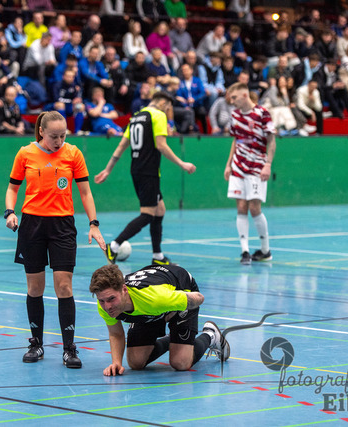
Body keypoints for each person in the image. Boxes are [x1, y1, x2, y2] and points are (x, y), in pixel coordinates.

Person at [4, 111, 106, 369]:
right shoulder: (25, 154)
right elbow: (13, 188)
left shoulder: (73, 154)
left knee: (64, 287)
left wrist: (93, 224)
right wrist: (10, 212)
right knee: (35, 288)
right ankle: (36, 343)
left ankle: (69, 348)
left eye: (63, 136)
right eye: (53, 136)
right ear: (41, 132)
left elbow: (85, 192)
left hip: (62, 226)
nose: (59, 141)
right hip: (32, 226)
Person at [95, 91, 196, 265]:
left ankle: (158, 256)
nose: (168, 111)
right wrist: (182, 164)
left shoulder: (136, 117)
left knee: (160, 210)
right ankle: (114, 246)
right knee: (148, 214)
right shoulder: (158, 115)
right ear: (163, 103)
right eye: (168, 107)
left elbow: (121, 146)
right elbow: (161, 145)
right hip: (149, 171)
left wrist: (108, 169)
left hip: (137, 169)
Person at [89, 263, 229, 376]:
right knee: (136, 362)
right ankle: (173, 339)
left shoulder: (156, 298)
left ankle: (210, 335)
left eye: (111, 299)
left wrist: (174, 307)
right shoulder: (104, 305)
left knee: (180, 363)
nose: (107, 306)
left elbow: (199, 298)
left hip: (178, 289)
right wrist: (116, 363)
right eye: (102, 300)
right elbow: (116, 333)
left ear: (124, 290)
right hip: (152, 306)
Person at [223, 82, 276, 265]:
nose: (232, 101)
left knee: (254, 207)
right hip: (238, 166)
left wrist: (268, 164)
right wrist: (229, 164)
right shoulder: (235, 115)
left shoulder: (262, 114)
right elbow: (235, 140)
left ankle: (265, 250)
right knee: (240, 207)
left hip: (256, 167)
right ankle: (245, 251)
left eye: (234, 97)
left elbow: (272, 141)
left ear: (245, 95)